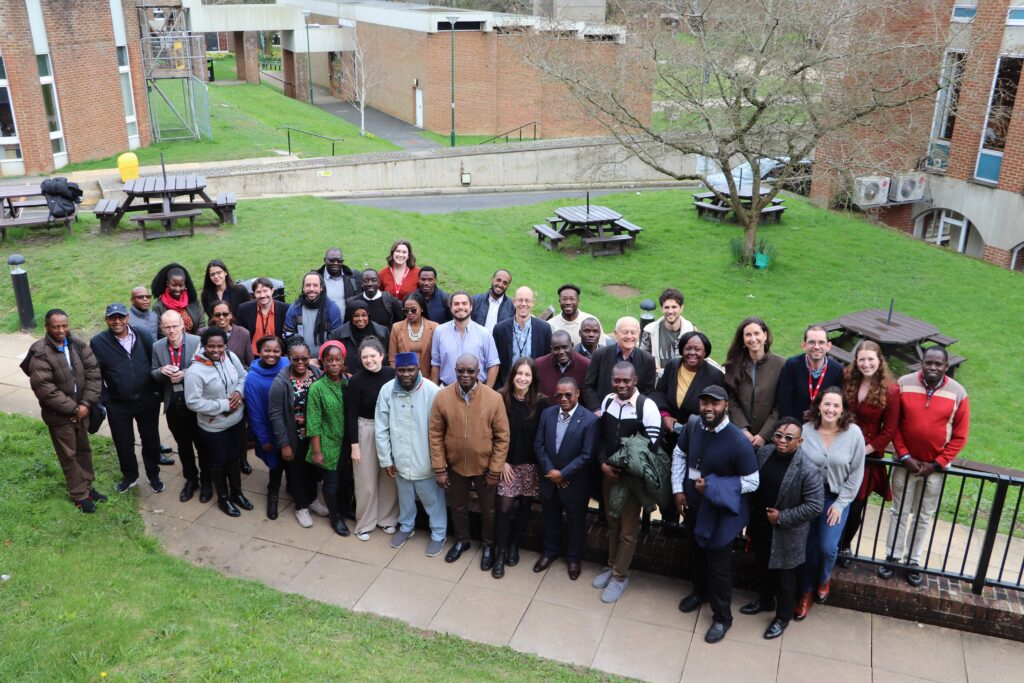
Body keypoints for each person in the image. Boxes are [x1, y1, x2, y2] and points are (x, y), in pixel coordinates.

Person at [673, 385, 760, 644]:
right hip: (694, 506)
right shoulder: (694, 426)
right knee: (696, 553)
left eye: (715, 403)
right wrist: (678, 490)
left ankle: (723, 618)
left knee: (719, 566)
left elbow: (752, 482)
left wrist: (714, 486)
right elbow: (679, 454)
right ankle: (700, 593)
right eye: (705, 403)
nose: (709, 408)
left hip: (721, 513)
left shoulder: (737, 441)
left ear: (726, 407)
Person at [878, 346, 969, 587]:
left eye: (938, 364)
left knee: (923, 515)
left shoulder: (958, 393)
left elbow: (960, 436)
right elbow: (893, 424)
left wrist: (937, 464)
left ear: (946, 367)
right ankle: (892, 557)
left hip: (935, 470)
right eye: (929, 363)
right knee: (899, 511)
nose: (933, 367)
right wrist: (905, 456)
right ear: (922, 362)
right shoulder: (904, 384)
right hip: (904, 464)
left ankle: (913, 561)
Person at [741, 418, 823, 640]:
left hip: (787, 533)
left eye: (789, 438)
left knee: (785, 580)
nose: (782, 441)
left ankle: (782, 618)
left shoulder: (808, 469)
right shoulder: (764, 453)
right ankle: (765, 600)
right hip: (760, 525)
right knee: (762, 567)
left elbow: (815, 506)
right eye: (778, 435)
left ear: (800, 441)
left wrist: (782, 518)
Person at [429, 354, 510, 569]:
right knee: (457, 507)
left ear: (479, 371)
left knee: (488, 510)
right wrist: (439, 468)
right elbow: (435, 434)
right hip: (454, 466)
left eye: (470, 371)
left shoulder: (494, 399)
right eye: (461, 370)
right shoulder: (442, 397)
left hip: (485, 468)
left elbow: (503, 437)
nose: (465, 375)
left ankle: (488, 546)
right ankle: (462, 541)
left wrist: (494, 471)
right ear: (455, 370)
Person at [592, 362, 662, 603]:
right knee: (612, 525)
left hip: (631, 482)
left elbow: (649, 448)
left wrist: (620, 468)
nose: (621, 385)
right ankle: (612, 566)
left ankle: (620, 577)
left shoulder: (647, 407)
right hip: (608, 475)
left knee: (628, 531)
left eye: (626, 381)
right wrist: (603, 463)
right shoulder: (608, 401)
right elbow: (601, 437)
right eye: (617, 380)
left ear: (635, 381)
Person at [24, 309, 105, 512]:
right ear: (47, 327)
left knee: (83, 449)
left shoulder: (76, 343)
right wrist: (73, 409)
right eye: (56, 326)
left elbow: (94, 372)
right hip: (60, 416)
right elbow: (45, 390)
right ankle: (79, 495)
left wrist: (86, 404)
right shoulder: (40, 351)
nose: (61, 330)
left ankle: (87, 486)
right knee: (69, 455)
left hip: (82, 410)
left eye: (64, 325)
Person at [795, 386, 864, 620]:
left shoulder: (854, 434)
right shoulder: (805, 430)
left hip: (835, 498)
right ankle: (806, 593)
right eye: (827, 404)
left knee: (827, 547)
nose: (831, 409)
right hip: (808, 498)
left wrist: (840, 504)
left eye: (836, 405)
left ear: (843, 409)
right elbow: (797, 467)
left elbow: (856, 474)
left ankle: (824, 578)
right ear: (819, 405)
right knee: (807, 547)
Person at [375, 352, 446, 555]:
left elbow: (441, 429)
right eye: (401, 370)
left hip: (426, 460)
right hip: (399, 459)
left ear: (418, 370)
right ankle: (406, 527)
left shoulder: (432, 391)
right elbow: (381, 428)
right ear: (396, 370)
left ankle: (439, 534)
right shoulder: (387, 390)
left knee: (433, 501)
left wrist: (440, 463)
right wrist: (386, 459)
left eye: (410, 370)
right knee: (405, 498)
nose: (406, 374)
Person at [90, 302, 164, 494]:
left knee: (151, 440)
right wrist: (106, 400)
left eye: (121, 317)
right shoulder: (98, 342)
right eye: (112, 318)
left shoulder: (142, 334)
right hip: (118, 404)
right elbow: (95, 374)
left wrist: (156, 392)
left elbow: (153, 362)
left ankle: (153, 474)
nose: (117, 321)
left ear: (127, 318)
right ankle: (130, 476)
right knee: (123, 443)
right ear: (107, 320)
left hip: (147, 401)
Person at [838, 341, 900, 564]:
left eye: (871, 359)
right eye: (861, 359)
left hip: (867, 455)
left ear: (879, 361)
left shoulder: (891, 390)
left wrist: (865, 451)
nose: (866, 364)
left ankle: (844, 545)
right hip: (839, 446)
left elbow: (890, 430)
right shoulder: (846, 378)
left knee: (856, 504)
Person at [533, 377, 598, 580]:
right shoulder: (547, 414)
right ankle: (549, 552)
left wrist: (563, 474)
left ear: (577, 394)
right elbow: (539, 445)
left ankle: (573, 559)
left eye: (568, 394)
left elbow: (587, 455)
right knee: (550, 519)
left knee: (576, 523)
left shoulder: (590, 420)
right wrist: (552, 472)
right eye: (559, 395)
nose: (563, 399)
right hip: (549, 481)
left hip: (574, 483)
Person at [184, 327, 252, 517]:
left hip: (236, 421)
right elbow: (192, 402)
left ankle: (237, 493)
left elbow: (243, 376)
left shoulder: (230, 357)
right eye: (211, 346)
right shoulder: (195, 371)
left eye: (220, 346)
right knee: (217, 461)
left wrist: (239, 392)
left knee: (234, 458)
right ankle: (223, 498)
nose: (216, 350)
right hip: (214, 427)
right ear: (204, 346)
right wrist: (223, 405)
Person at [492, 357, 549, 578]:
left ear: (533, 378)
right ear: (512, 374)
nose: (522, 378)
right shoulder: (500, 397)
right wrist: (502, 462)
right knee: (505, 508)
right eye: (519, 373)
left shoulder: (541, 402)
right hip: (507, 464)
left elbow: (543, 436)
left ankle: (514, 544)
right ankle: (500, 552)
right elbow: (493, 432)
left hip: (530, 465)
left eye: (527, 374)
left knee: (525, 507)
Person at [151, 311, 208, 503]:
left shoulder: (196, 341)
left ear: (182, 324)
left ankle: (206, 480)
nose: (171, 330)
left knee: (202, 445)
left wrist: (185, 373)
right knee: (183, 446)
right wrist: (161, 371)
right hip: (174, 404)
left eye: (175, 325)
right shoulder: (158, 346)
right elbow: (153, 373)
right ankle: (191, 480)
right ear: (161, 328)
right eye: (167, 327)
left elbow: (206, 366)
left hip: (196, 403)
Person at [346, 338, 399, 541]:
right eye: (365, 357)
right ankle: (365, 523)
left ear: (382, 356)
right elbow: (350, 414)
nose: (369, 360)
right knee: (365, 479)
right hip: (365, 428)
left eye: (373, 356)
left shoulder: (393, 375)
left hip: (388, 428)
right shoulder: (356, 380)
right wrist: (355, 446)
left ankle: (388, 518)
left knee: (389, 476)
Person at [268, 339, 323, 529]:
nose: (300, 362)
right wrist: (284, 444)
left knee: (313, 470)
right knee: (297, 472)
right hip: (294, 436)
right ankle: (301, 507)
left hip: (314, 434)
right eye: (296, 359)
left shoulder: (316, 373)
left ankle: (312, 499)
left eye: (304, 358)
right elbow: (275, 414)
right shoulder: (280, 382)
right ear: (288, 359)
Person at [304, 341, 352, 536]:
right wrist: (316, 451)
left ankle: (344, 508)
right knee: (331, 483)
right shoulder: (317, 388)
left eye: (337, 360)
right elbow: (313, 421)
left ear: (343, 361)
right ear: (322, 362)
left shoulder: (349, 381)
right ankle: (335, 517)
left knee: (347, 480)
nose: (333, 363)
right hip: (327, 442)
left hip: (348, 442)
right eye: (329, 360)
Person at [652, 331, 725, 452]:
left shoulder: (715, 375)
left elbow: (719, 408)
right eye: (688, 348)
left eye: (697, 349)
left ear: (705, 352)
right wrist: (665, 416)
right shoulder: (673, 365)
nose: (692, 353)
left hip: (697, 437)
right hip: (668, 434)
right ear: (682, 350)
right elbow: (659, 393)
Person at [244, 335, 290, 520]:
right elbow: (254, 413)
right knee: (276, 465)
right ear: (259, 351)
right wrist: (263, 438)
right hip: (269, 429)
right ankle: (273, 495)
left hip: (290, 425)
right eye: (267, 350)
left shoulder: (287, 365)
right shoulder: (253, 379)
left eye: (276, 351)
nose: (272, 354)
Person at [723, 316, 785, 449]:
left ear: (765, 335)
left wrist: (764, 435)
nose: (753, 339)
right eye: (748, 335)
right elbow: (731, 400)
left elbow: (780, 405)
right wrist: (742, 430)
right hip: (739, 436)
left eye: (757, 333)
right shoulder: (733, 365)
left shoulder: (781, 365)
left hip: (770, 440)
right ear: (743, 340)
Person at [581, 316, 656, 411]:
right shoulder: (599, 355)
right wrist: (596, 409)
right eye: (625, 332)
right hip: (603, 412)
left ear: (639, 334)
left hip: (633, 414)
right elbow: (588, 386)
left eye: (633, 332)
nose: (629, 336)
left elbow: (649, 392)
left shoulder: (648, 360)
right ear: (616, 334)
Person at [430, 291, 500, 387]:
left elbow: (493, 364)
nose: (460, 307)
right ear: (451, 308)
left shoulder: (484, 333)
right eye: (456, 304)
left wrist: (487, 392)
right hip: (447, 390)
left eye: (464, 303)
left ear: (471, 307)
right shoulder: (439, 331)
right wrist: (434, 390)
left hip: (476, 391)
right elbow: (435, 363)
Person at [776, 325, 845, 421]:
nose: (817, 347)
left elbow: (837, 402)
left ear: (828, 346)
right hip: (794, 425)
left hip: (823, 425)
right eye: (812, 342)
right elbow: (784, 401)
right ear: (804, 346)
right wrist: (790, 426)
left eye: (821, 342)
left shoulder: (837, 369)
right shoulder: (792, 365)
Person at [492, 286, 552, 389]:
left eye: (527, 300)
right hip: (506, 388)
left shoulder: (544, 329)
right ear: (514, 302)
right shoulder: (500, 329)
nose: (523, 304)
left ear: (533, 303)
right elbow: (495, 362)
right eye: (520, 300)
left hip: (533, 388)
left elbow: (547, 362)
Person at [283, 271, 343, 352]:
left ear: (321, 288)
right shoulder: (295, 308)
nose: (311, 289)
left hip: (325, 359)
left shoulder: (332, 308)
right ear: (303, 288)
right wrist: (304, 357)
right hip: (301, 359)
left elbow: (336, 337)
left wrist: (321, 358)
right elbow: (288, 334)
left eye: (315, 285)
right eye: (308, 285)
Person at [639, 288, 696, 373]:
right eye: (666, 307)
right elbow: (642, 357)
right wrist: (651, 366)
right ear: (662, 309)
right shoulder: (649, 331)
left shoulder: (691, 333)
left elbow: (697, 361)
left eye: (674, 307)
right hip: (658, 381)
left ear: (681, 308)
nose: (670, 311)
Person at [388, 292, 437, 379]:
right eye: (406, 310)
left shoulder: (434, 327)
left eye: (413, 310)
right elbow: (392, 359)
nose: (409, 313)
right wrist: (400, 378)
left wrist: (433, 382)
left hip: (428, 379)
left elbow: (437, 361)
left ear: (422, 308)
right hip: (404, 379)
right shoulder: (396, 328)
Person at [237, 277, 290, 356]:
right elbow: (240, 336)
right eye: (258, 292)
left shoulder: (285, 309)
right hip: (253, 357)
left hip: (277, 356)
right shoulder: (243, 309)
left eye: (265, 291)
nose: (262, 295)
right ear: (254, 294)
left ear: (272, 291)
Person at [329, 300, 391, 367]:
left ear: (368, 316)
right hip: (350, 375)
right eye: (356, 316)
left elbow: (388, 357)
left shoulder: (383, 331)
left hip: (377, 374)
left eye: (364, 315)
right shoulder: (337, 334)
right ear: (351, 317)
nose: (360, 319)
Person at [151, 263, 204, 335]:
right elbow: (161, 332)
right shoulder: (158, 307)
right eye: (174, 285)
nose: (178, 289)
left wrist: (193, 341)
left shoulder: (193, 301)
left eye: (181, 285)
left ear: (185, 285)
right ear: (167, 284)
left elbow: (201, 324)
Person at [534, 330, 590, 398]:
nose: (561, 352)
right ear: (551, 349)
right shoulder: (540, 365)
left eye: (565, 347)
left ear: (572, 345)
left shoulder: (585, 365)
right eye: (556, 348)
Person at [203, 301, 254, 368]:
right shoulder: (204, 333)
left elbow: (250, 362)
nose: (221, 317)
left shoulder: (243, 333)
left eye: (225, 314)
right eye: (217, 315)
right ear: (213, 317)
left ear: (230, 315)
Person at [317, 247, 361, 321]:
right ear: (325, 260)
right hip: (324, 326)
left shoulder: (354, 276)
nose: (336, 263)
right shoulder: (316, 277)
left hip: (348, 325)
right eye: (332, 260)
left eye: (339, 261)